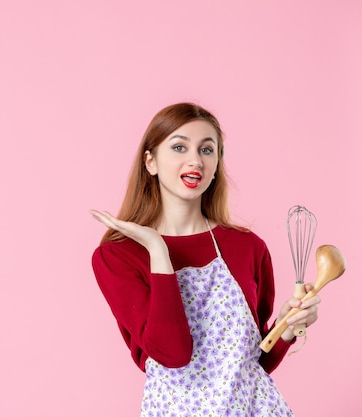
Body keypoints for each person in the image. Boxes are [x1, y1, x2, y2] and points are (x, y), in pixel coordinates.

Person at [90, 102, 320, 416]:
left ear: (216, 166)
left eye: (207, 150)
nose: (195, 160)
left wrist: (287, 328)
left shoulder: (248, 247)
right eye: (179, 147)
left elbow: (254, 363)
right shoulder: (119, 257)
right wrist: (158, 250)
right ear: (151, 161)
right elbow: (173, 355)